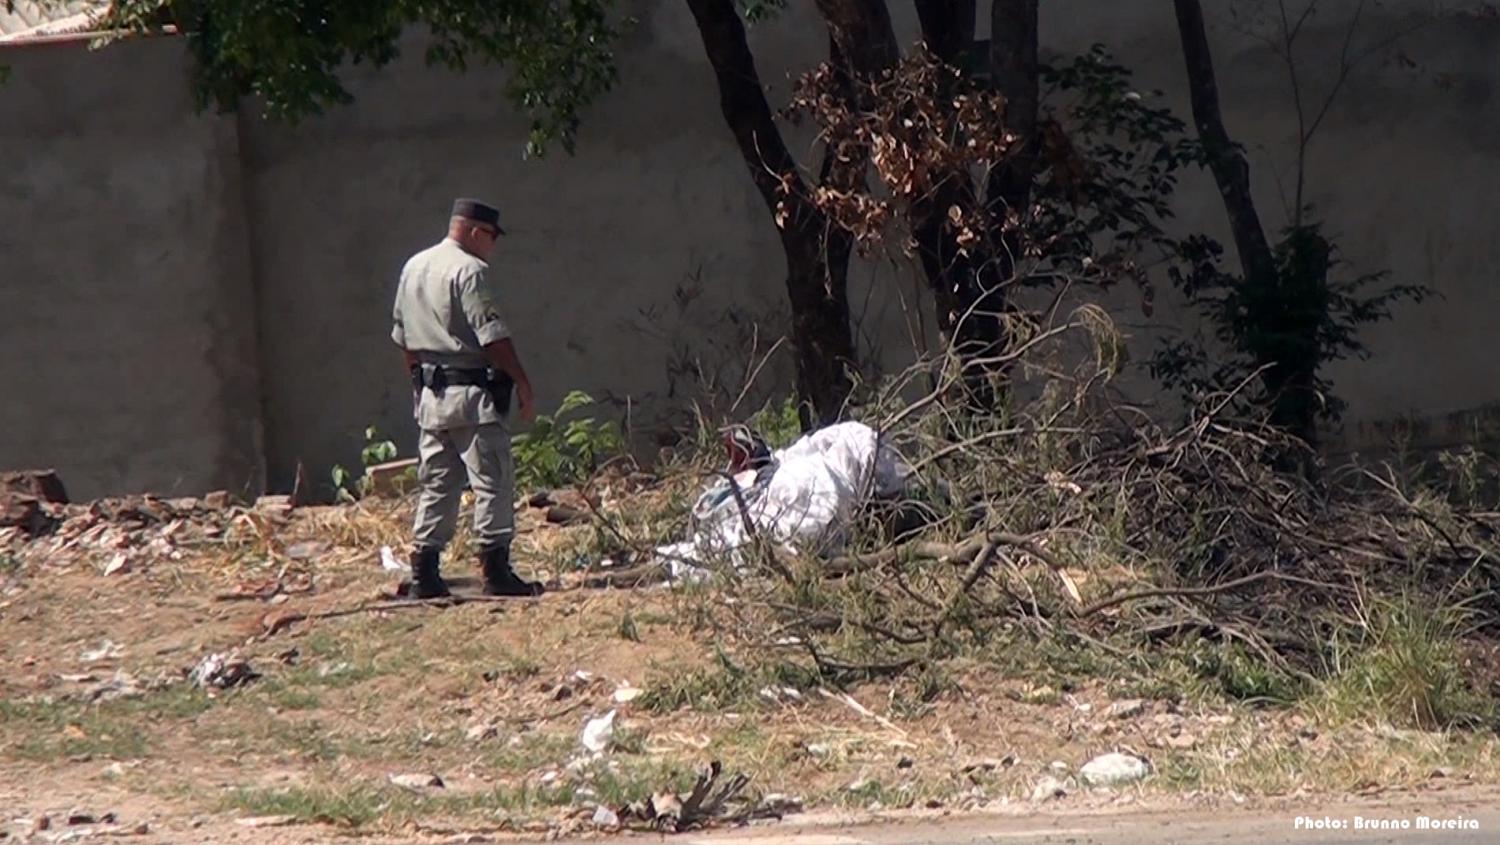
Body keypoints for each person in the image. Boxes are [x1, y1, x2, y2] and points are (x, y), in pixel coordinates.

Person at [390, 198, 544, 599]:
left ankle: (425, 574)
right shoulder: (470, 270)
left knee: (437, 484)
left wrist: (416, 385)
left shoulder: (414, 267)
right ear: (475, 231)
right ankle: (495, 571)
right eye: (491, 236)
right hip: (473, 397)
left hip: (431, 397)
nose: (493, 245)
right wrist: (522, 383)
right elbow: (492, 337)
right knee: (493, 479)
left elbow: (403, 339)